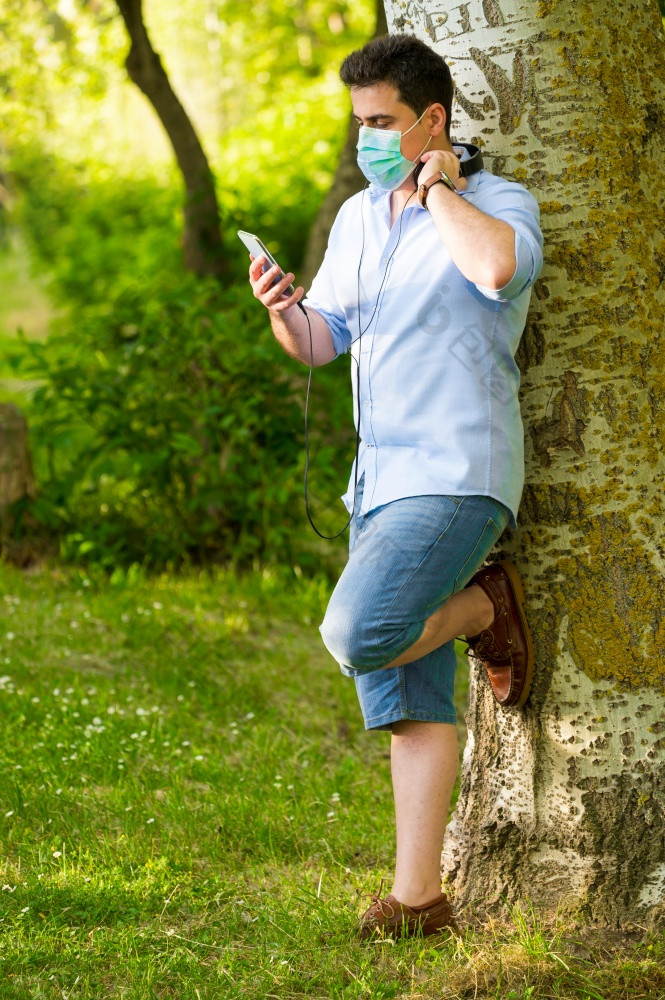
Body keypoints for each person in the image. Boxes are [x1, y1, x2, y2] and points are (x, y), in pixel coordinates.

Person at [248, 33, 543, 941]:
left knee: (359, 632)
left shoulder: (497, 202)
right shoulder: (357, 219)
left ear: (432, 121)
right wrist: (282, 311)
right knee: (404, 691)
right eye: (358, 124)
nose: (366, 141)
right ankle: (419, 898)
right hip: (379, 478)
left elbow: (495, 270)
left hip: (457, 470)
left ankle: (487, 608)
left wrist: (438, 189)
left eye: (382, 123)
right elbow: (324, 340)